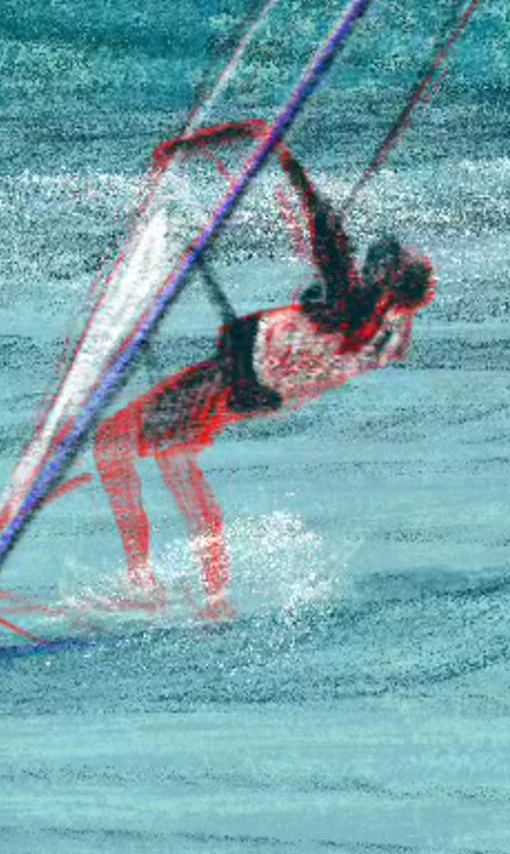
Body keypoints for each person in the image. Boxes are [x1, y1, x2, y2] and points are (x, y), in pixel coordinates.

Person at [92, 142, 436, 620]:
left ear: (386, 279)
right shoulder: (390, 334)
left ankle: (153, 587)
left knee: (113, 443)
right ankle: (211, 599)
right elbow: (349, 302)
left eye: (381, 265)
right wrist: (320, 298)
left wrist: (290, 164)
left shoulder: (354, 302)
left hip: (235, 375)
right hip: (258, 392)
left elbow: (327, 232)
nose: (370, 265)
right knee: (175, 459)